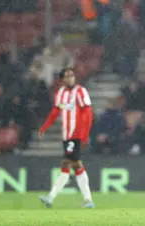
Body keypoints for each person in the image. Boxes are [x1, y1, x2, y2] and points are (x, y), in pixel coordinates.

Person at [38, 68, 94, 208]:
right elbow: (55, 111)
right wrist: (44, 127)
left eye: (72, 75)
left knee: (66, 164)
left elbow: (88, 113)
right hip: (66, 136)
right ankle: (88, 200)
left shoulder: (81, 91)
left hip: (76, 135)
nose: (70, 78)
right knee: (77, 166)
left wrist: (84, 136)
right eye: (67, 76)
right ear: (62, 80)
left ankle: (50, 197)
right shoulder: (60, 93)